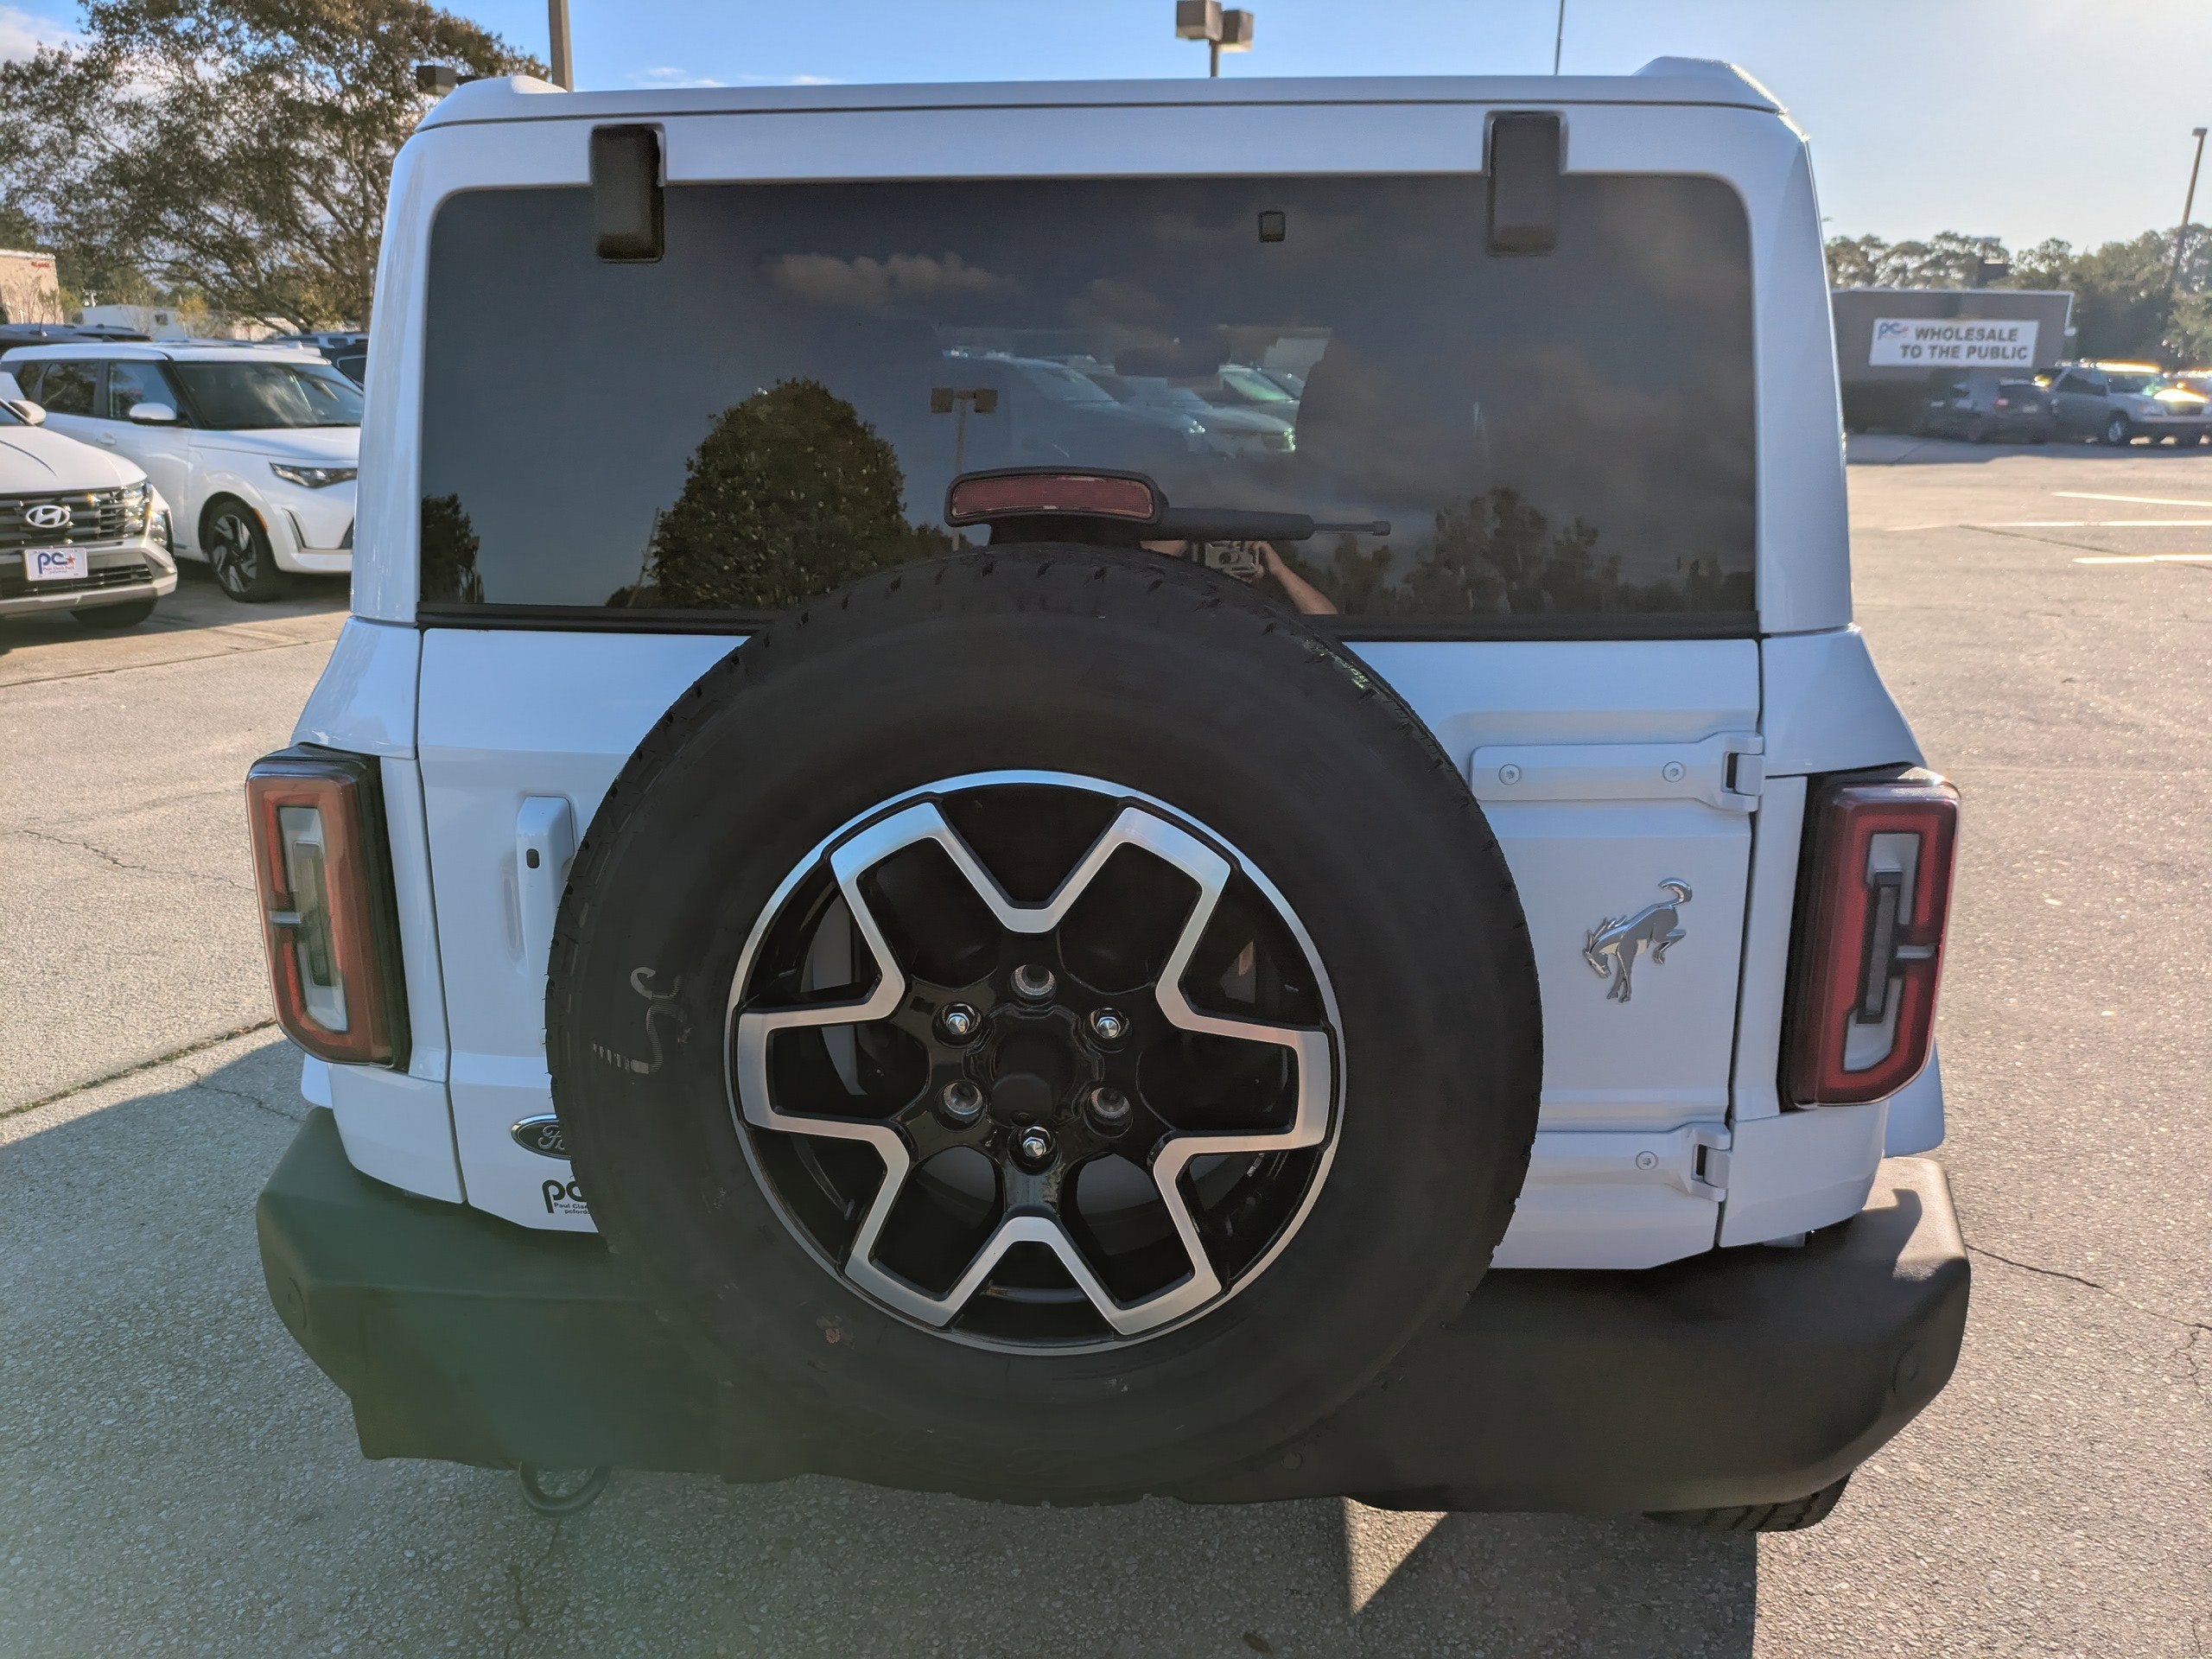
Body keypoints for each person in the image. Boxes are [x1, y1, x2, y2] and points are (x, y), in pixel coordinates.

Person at [1139, 537, 1338, 616]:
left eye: (1241, 551)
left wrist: (1279, 572)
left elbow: (1329, 623)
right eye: (1217, 550)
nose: (1230, 558)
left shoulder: (1271, 604)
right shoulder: (1171, 593)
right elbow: (1137, 584)